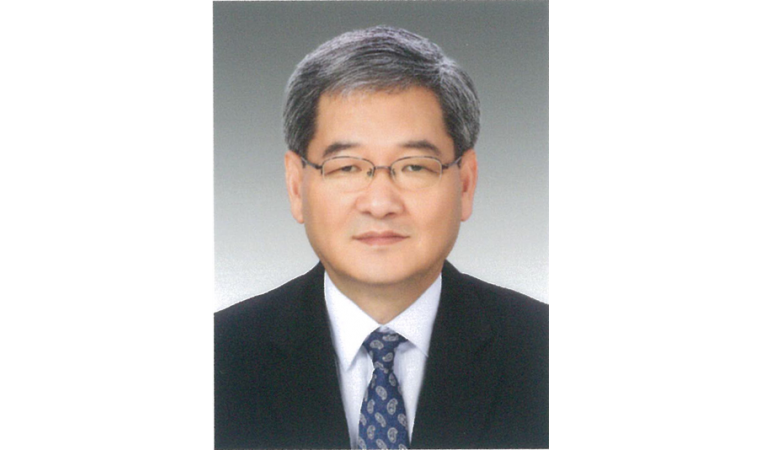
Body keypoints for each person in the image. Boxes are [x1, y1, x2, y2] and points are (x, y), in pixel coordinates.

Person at [214, 26, 549, 450]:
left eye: (415, 166)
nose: (379, 203)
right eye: (347, 167)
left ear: (465, 184)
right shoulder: (223, 353)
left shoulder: (538, 349)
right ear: (296, 187)